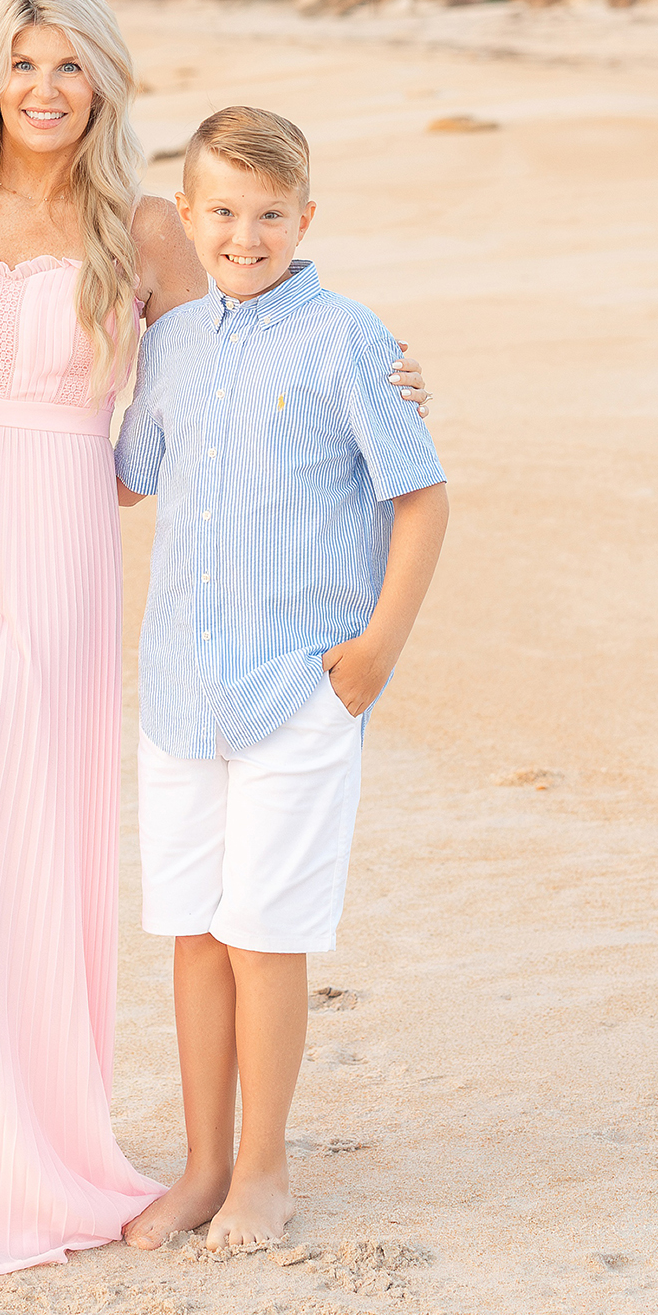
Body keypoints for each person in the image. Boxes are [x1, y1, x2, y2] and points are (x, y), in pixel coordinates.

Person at [0, 0, 428, 1290]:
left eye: (71, 64)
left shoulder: (150, 226)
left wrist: (392, 369)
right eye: (23, 63)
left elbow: (231, 363)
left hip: (63, 538)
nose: (47, 87)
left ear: (104, 83)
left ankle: (33, 1150)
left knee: (12, 844)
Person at [115, 106, 448, 1254]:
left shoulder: (350, 339)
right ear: (187, 215)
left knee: (265, 933)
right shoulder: (171, 344)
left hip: (299, 690)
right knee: (194, 934)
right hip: (176, 691)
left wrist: (372, 656)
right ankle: (203, 1164)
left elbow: (420, 496)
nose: (243, 235)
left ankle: (266, 1169)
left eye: (267, 215)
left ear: (305, 218)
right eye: (220, 212)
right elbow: (127, 474)